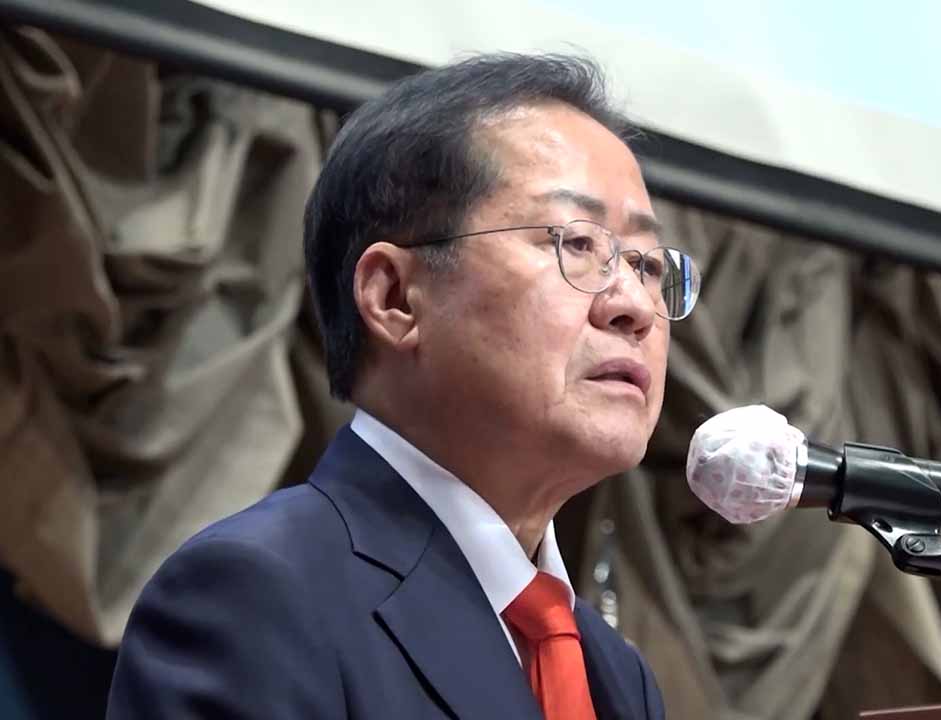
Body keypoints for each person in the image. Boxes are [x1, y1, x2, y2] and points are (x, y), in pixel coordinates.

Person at [105, 53, 700, 719]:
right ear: (393, 297)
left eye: (649, 265)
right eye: (578, 244)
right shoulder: (258, 594)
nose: (635, 307)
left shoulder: (617, 675)